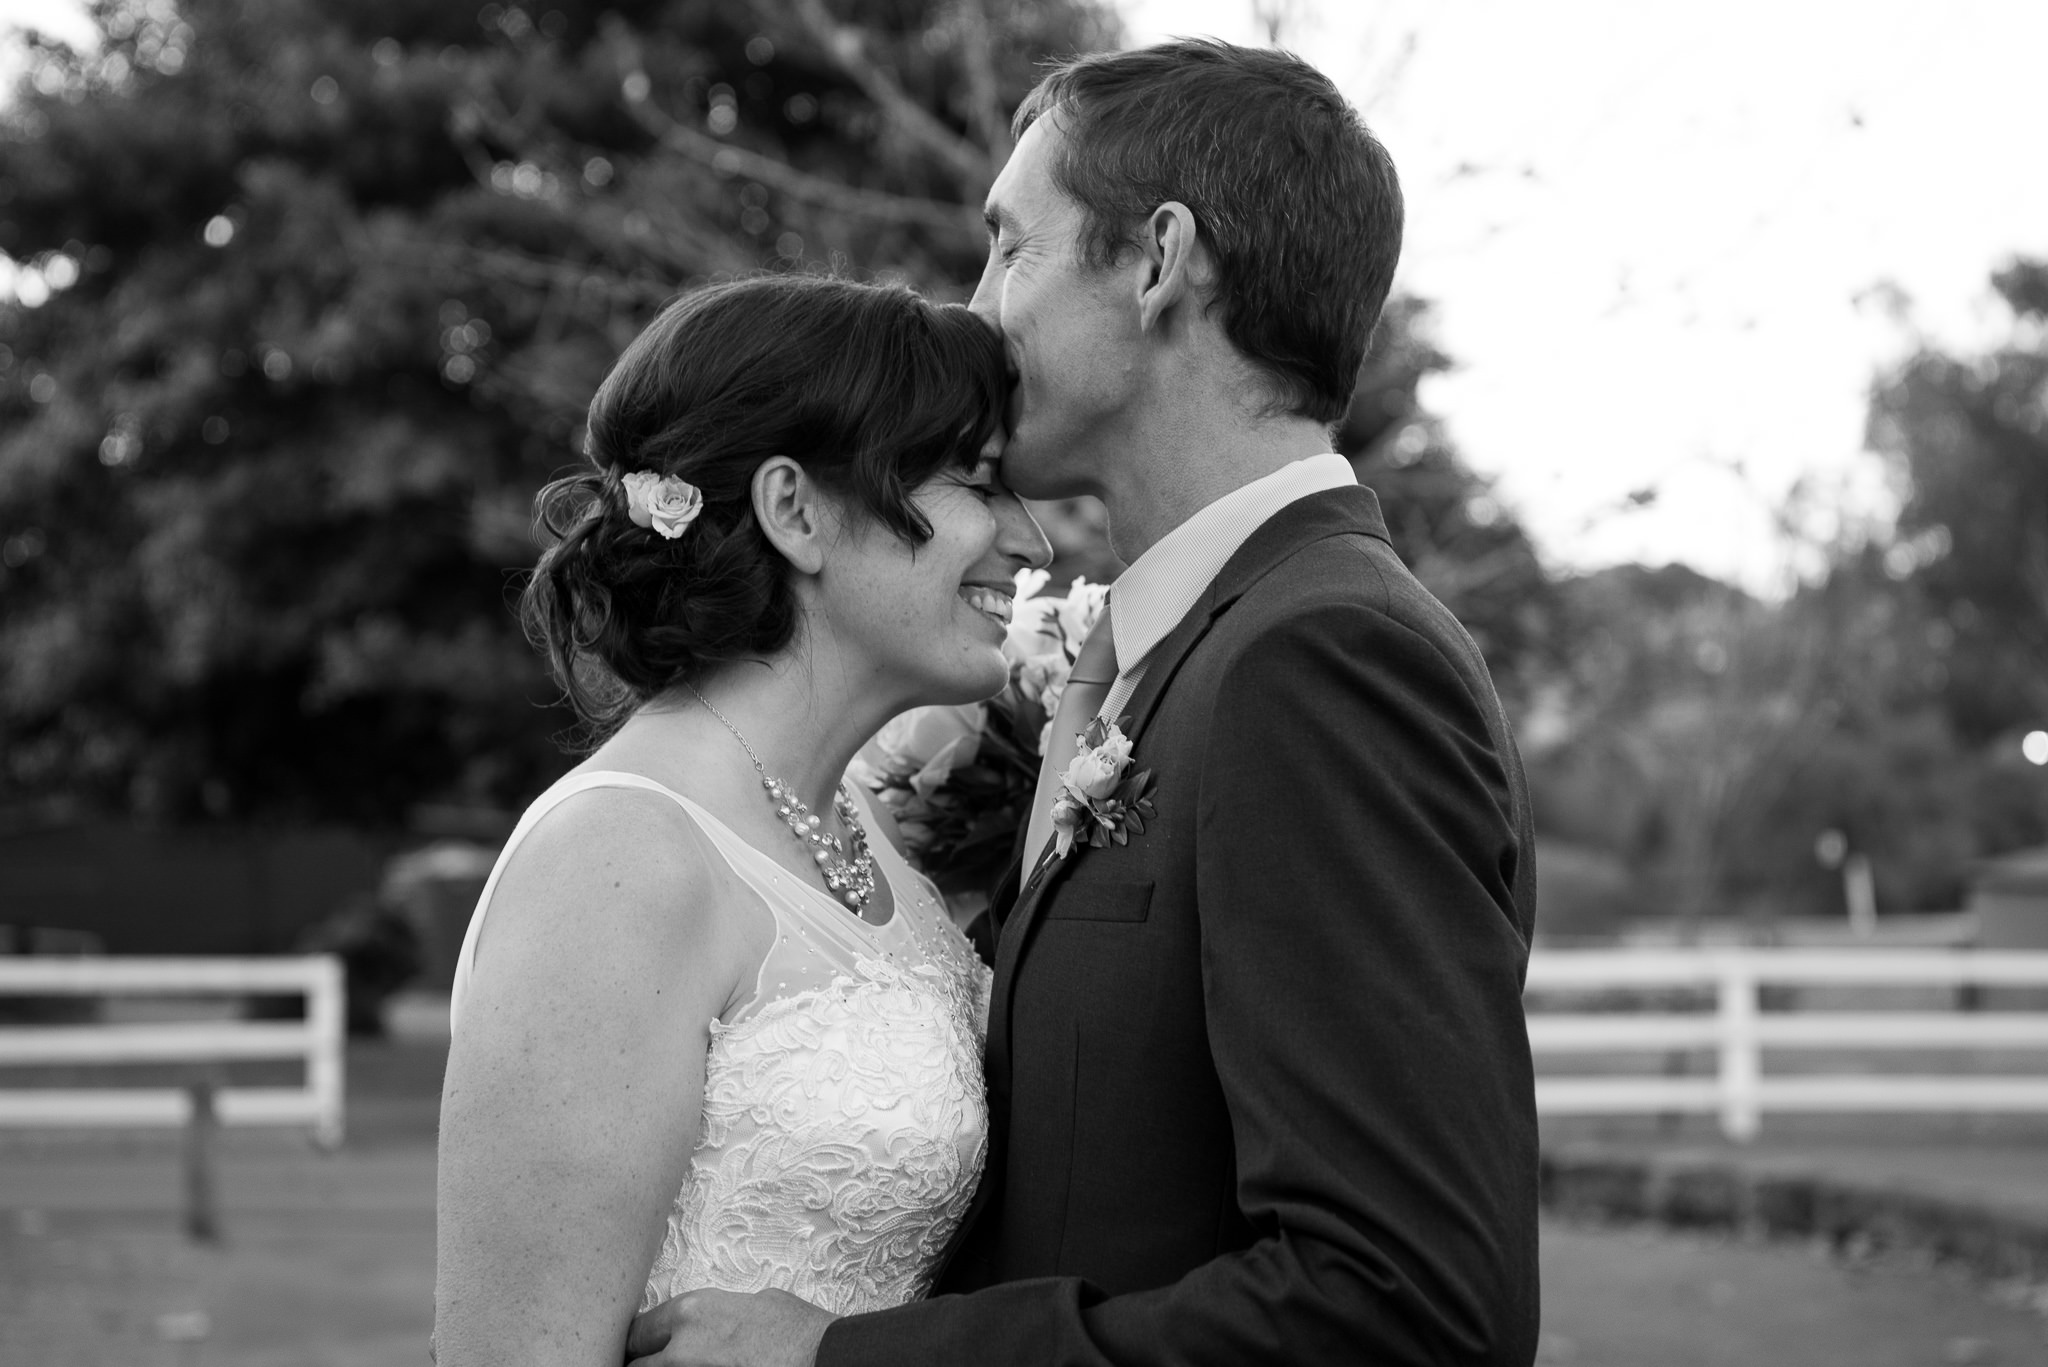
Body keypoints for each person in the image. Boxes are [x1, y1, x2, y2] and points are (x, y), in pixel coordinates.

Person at [628, 39, 1541, 1367]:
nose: (979, 306)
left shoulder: (1325, 659)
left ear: (1159, 261)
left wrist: (845, 1357)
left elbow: (1400, 1311)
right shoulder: (1178, 656)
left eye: (1010, 246)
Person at [432, 274, 1051, 1366]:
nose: (1030, 540)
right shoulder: (620, 861)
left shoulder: (872, 842)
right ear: (794, 509)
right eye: (977, 482)